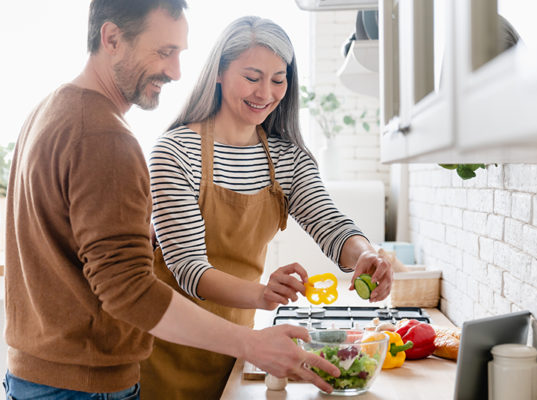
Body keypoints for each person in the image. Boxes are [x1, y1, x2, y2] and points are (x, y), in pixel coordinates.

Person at [3, 2, 340, 399]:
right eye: (164, 52)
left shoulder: (51, 111)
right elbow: (129, 289)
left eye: (179, 53)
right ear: (111, 38)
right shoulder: (105, 137)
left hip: (39, 373)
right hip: (85, 384)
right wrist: (252, 343)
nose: (176, 71)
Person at [141, 15, 393, 399]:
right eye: (252, 76)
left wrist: (366, 255)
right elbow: (189, 269)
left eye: (278, 79)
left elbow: (330, 224)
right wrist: (263, 293)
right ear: (220, 72)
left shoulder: (287, 159)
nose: (266, 92)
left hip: (238, 348)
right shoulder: (175, 152)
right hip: (165, 351)